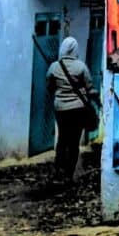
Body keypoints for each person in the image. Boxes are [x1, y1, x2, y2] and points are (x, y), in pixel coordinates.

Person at [46, 36, 94, 185]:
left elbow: (49, 85)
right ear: (75, 49)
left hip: (60, 109)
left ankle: (58, 171)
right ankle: (69, 174)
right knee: (74, 143)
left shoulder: (54, 66)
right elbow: (89, 86)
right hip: (78, 110)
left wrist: (60, 92)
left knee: (62, 140)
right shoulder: (81, 67)